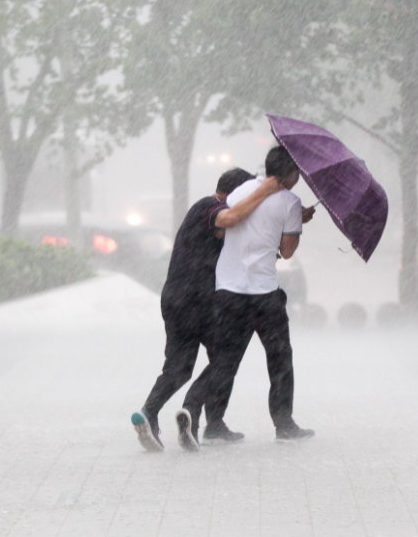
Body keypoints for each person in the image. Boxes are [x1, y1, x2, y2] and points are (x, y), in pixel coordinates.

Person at [131, 168, 281, 452]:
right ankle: (193, 410)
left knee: (182, 367)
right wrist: (266, 190)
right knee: (226, 357)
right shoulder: (209, 207)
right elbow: (230, 217)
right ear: (237, 194)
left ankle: (157, 414)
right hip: (196, 302)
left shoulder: (212, 214)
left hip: (179, 299)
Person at [177, 145, 316, 448]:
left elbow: (233, 225)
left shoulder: (239, 192)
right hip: (263, 293)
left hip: (228, 290)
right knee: (279, 358)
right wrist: (298, 222)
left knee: (225, 359)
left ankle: (202, 414)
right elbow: (287, 251)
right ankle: (284, 424)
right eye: (297, 172)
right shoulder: (291, 202)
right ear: (290, 174)